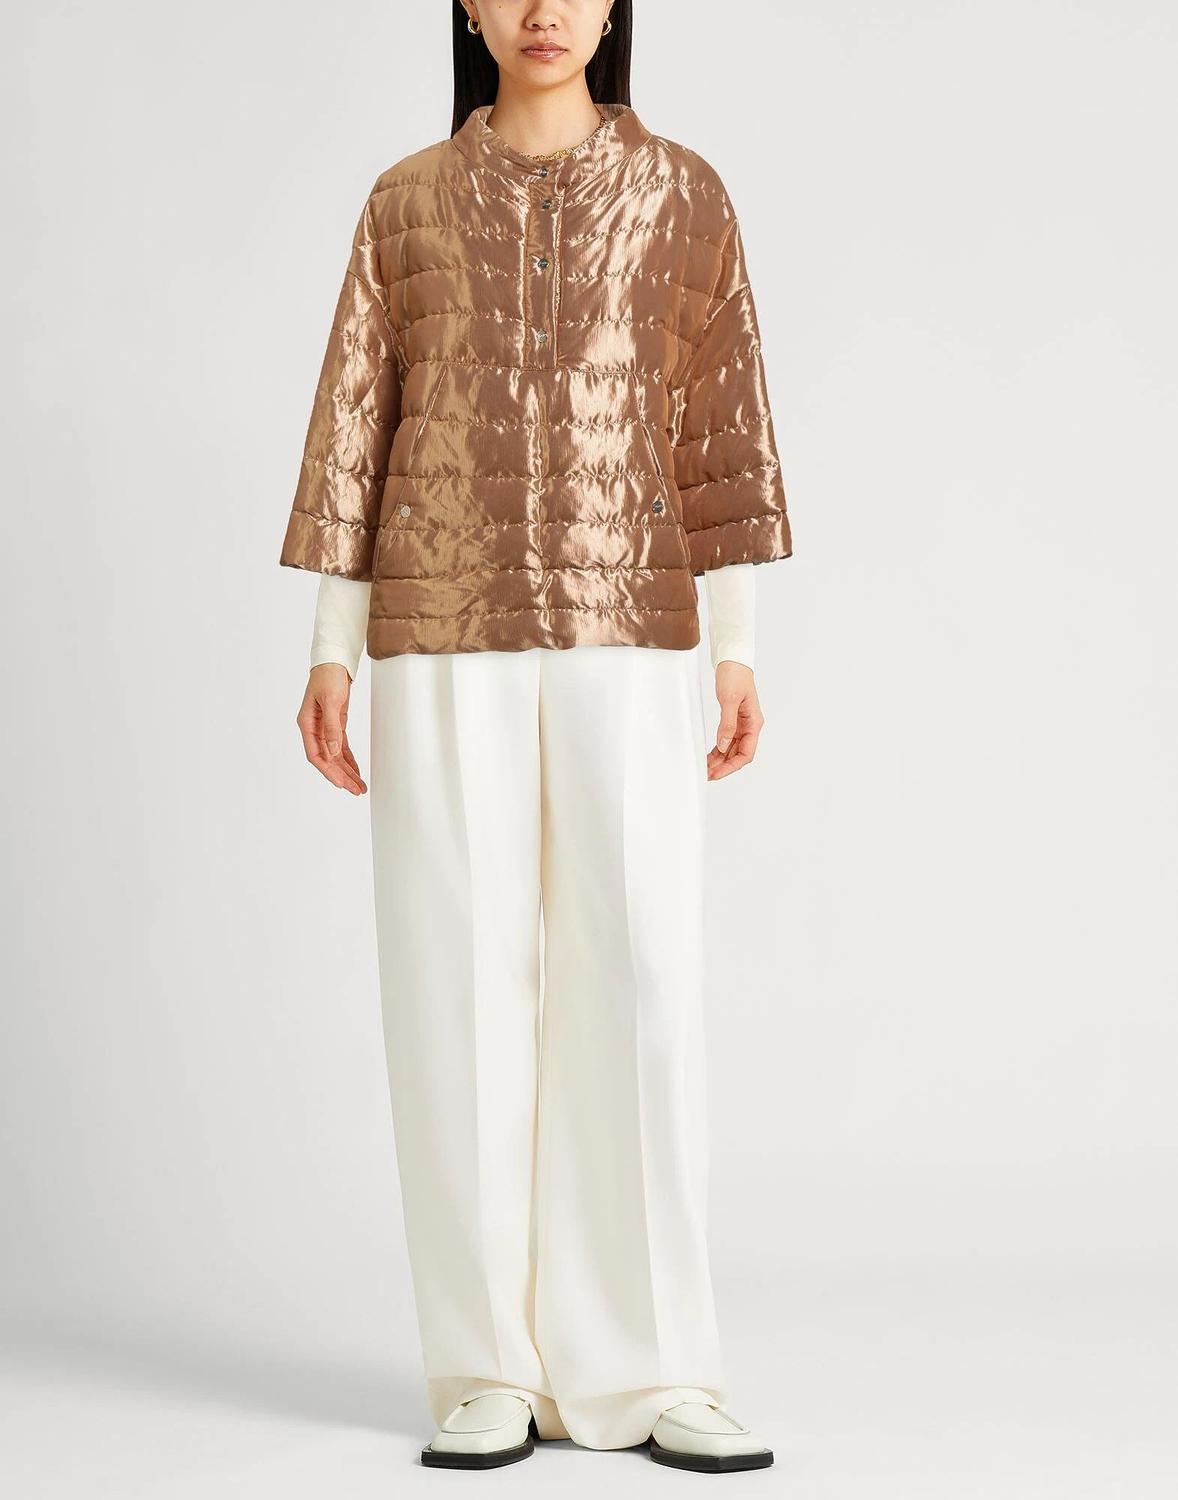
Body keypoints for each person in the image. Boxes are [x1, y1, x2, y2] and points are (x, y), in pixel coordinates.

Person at [280, 0, 792, 1474]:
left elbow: (720, 428)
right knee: (455, 986)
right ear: (464, 4)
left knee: (639, 985)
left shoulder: (684, 193)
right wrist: (328, 649)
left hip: (633, 635)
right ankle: (483, 1367)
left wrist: (737, 643)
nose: (545, 9)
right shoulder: (405, 204)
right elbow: (355, 431)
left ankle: (651, 1365)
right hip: (442, 633)